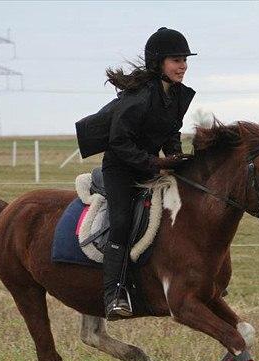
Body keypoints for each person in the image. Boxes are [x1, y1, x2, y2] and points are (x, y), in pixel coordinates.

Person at [75, 27, 197, 320]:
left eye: (184, 60)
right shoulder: (139, 97)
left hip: (149, 164)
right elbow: (118, 142)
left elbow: (171, 131)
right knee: (121, 221)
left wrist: (175, 157)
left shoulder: (178, 94)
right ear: (159, 63)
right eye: (176, 60)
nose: (183, 65)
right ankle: (113, 294)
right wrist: (154, 164)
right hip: (120, 167)